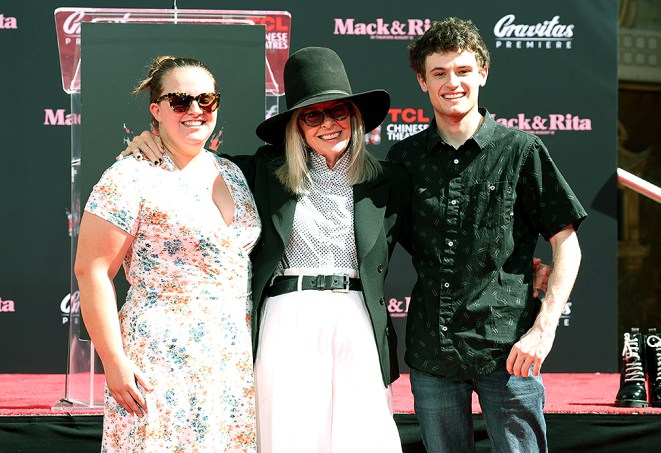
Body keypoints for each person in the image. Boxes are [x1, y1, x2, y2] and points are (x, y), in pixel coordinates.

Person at [121, 47, 407, 452]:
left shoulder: (389, 180)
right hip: (285, 318)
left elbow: (432, 243)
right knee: (288, 436)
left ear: (355, 116)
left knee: (362, 437)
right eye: (313, 115)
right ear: (296, 124)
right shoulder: (261, 172)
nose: (328, 124)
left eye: (338, 111)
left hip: (357, 319)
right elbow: (193, 159)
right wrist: (151, 141)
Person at [386, 17, 587, 452]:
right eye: (439, 72)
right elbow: (374, 243)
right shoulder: (404, 159)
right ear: (422, 81)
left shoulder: (521, 150)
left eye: (462, 70)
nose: (452, 82)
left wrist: (544, 328)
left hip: (510, 352)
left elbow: (565, 241)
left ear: (482, 73)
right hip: (431, 354)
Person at [74, 56, 260, 451]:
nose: (195, 110)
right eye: (180, 101)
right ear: (156, 110)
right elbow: (92, 271)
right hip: (159, 360)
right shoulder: (129, 175)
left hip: (230, 361)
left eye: (206, 100)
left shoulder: (233, 173)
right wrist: (113, 361)